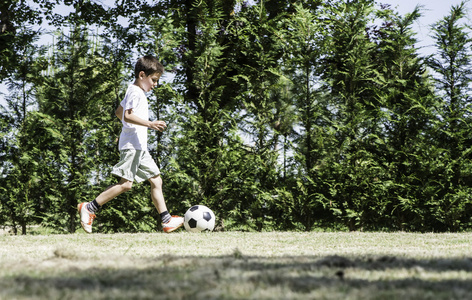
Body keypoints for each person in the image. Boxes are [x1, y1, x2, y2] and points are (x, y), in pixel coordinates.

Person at [77, 55, 184, 234]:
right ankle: (89, 208)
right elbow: (126, 115)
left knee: (156, 180)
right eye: (154, 80)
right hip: (133, 146)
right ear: (142, 75)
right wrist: (149, 124)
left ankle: (166, 220)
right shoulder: (135, 91)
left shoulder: (135, 91)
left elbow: (119, 112)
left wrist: (129, 129)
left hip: (139, 146)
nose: (155, 84)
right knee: (126, 184)